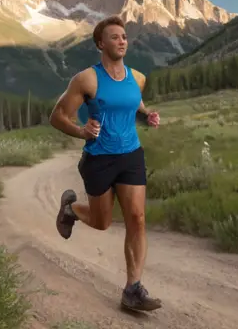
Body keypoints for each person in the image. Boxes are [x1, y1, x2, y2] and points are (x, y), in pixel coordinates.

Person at [48, 15, 162, 312]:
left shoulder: (137, 77)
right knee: (102, 222)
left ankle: (133, 289)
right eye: (114, 37)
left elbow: (133, 103)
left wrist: (146, 115)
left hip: (131, 155)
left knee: (137, 218)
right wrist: (81, 131)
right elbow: (57, 117)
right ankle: (70, 209)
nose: (121, 41)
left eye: (124, 36)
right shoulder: (87, 79)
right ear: (101, 43)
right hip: (99, 158)